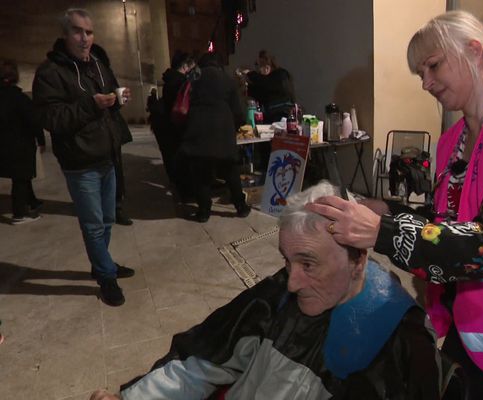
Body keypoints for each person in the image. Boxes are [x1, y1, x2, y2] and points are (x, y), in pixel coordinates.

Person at [306, 10, 483, 400]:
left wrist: (383, 232)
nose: (426, 82)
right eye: (419, 73)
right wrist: (388, 211)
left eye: (432, 65)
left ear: (474, 51)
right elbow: (453, 223)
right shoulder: (454, 141)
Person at [90, 181, 447, 400]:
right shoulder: (278, 294)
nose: (291, 281)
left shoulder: (400, 339)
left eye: (308, 264)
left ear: (358, 259)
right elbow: (202, 361)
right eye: (286, 261)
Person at [32, 8, 135, 306]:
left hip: (107, 155)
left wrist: (117, 100)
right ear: (65, 35)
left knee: (107, 219)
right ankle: (106, 275)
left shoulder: (98, 64)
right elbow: (51, 118)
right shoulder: (50, 72)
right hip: (80, 161)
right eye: (78, 31)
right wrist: (92, 105)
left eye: (89, 32)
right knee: (92, 224)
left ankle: (101, 264)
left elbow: (106, 103)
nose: (85, 38)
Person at [181, 52, 251, 222]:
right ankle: (240, 207)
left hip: (198, 131)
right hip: (223, 132)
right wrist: (234, 127)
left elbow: (184, 102)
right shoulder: (227, 80)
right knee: (230, 171)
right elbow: (239, 112)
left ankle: (204, 211)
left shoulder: (194, 77)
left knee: (201, 174)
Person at [0, 59, 46, 225]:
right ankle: (19, 214)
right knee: (20, 178)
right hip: (19, 146)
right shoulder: (20, 99)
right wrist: (41, 141)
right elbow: (33, 121)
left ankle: (31, 201)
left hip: (4, 146)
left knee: (22, 177)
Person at [149, 51, 196, 201]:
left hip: (166, 125)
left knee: (172, 158)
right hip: (176, 125)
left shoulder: (170, 79)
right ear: (185, 66)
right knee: (182, 161)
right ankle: (186, 193)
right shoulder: (181, 82)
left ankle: (179, 187)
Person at [242, 50, 296, 123]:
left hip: (282, 117)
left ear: (266, 68)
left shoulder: (280, 75)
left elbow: (264, 82)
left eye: (258, 66)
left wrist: (250, 74)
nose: (257, 70)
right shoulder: (267, 83)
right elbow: (258, 92)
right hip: (270, 118)